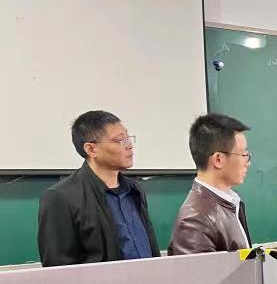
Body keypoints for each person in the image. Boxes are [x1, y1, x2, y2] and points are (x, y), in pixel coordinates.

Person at [37, 110, 160, 267]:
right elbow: (58, 269)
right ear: (91, 149)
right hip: (103, 283)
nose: (129, 145)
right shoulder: (60, 198)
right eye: (120, 140)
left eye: (128, 138)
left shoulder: (134, 190)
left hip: (148, 279)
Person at [168, 114, 252, 255]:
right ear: (218, 159)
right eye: (243, 155)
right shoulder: (195, 221)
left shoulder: (228, 203)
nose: (247, 162)